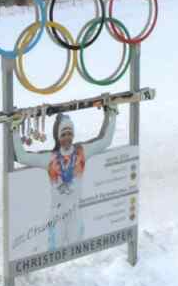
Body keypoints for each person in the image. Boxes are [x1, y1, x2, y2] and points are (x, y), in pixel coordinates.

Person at [13, 105, 116, 250]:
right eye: (63, 134)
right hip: (57, 214)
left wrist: (112, 114)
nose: (67, 137)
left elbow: (105, 141)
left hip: (75, 211)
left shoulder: (81, 152)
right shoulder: (50, 158)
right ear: (58, 136)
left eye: (69, 133)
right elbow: (22, 157)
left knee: (76, 250)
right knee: (54, 252)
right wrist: (14, 129)